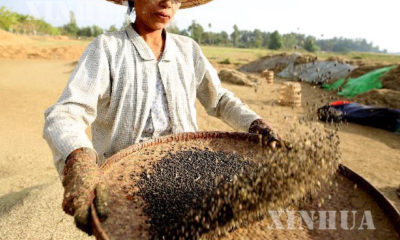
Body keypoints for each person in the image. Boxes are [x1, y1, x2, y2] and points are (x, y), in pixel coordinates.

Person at [43, 0, 282, 235]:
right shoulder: (107, 48)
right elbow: (66, 113)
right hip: (125, 182)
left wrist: (253, 122)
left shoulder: (188, 50)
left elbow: (218, 99)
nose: (167, 3)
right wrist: (79, 160)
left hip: (189, 171)